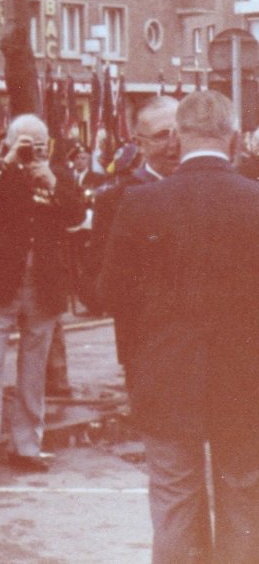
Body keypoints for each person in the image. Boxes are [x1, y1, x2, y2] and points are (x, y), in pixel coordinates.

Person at [97, 91, 259, 562]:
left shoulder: (141, 203)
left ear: (181, 136)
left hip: (165, 376)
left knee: (174, 500)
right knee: (244, 498)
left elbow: (109, 294)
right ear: (232, 136)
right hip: (245, 380)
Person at [0, 114, 86, 479]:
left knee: (34, 371)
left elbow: (76, 214)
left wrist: (52, 181)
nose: (33, 150)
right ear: (11, 142)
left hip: (42, 284)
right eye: (25, 142)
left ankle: (27, 445)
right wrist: (7, 163)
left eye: (38, 143)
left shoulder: (58, 175)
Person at [85, 96, 180, 322]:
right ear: (139, 144)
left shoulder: (206, 188)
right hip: (146, 330)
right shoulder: (116, 199)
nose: (174, 144)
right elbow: (99, 278)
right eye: (162, 135)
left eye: (180, 132)